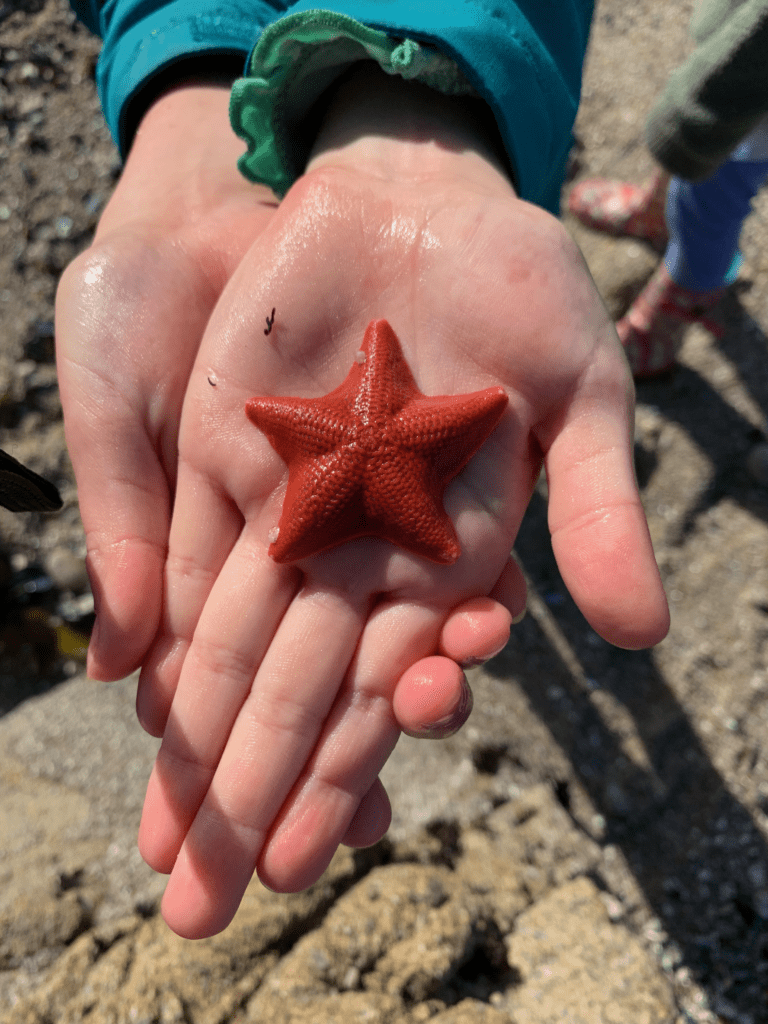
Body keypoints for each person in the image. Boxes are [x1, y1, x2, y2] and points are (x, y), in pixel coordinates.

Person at [57, 0, 669, 939]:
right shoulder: (324, 417)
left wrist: (411, 118)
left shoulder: (387, 409)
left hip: (454, 100)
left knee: (448, 563)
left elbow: (362, 422)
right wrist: (189, 96)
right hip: (463, 95)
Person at [569, 0, 768, 378]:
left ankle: (687, 294)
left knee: (709, 196)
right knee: (703, 84)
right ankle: (660, 208)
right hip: (743, 31)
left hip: (756, 83)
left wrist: (697, 124)